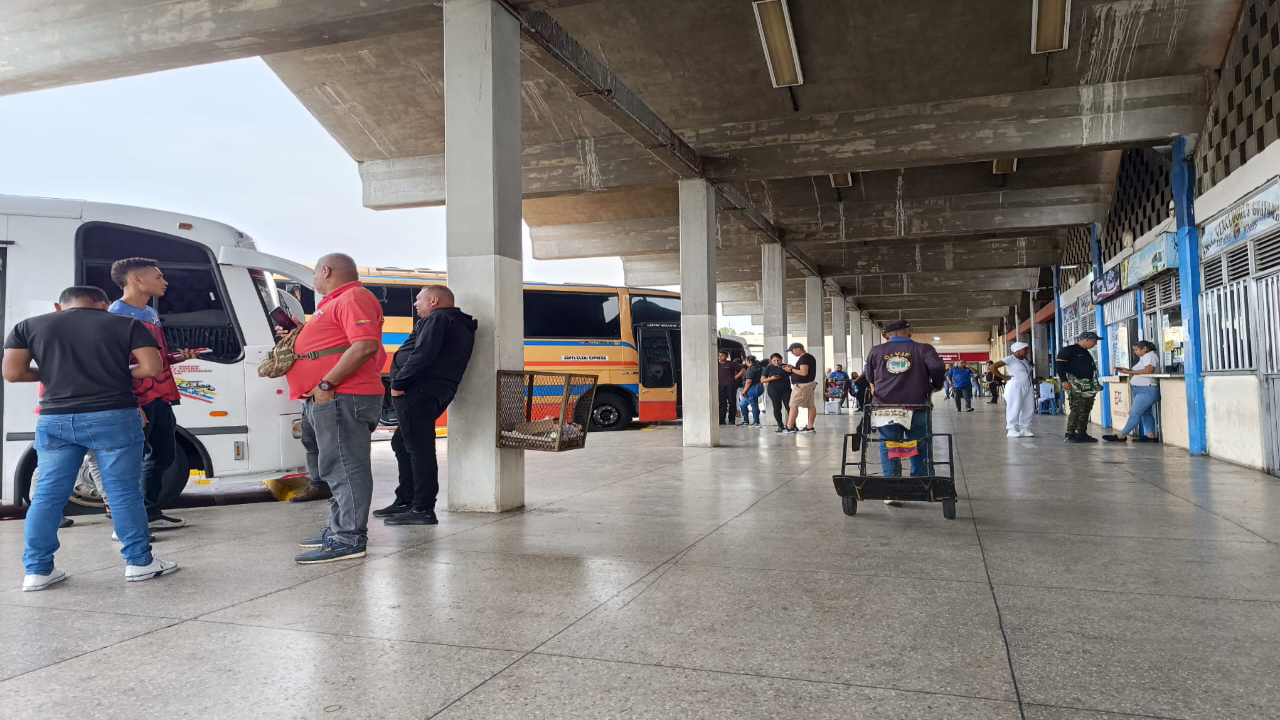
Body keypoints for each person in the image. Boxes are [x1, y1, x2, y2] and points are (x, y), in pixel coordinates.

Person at [4, 286, 178, 590]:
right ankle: (139, 563)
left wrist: (55, 372)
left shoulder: (28, 326)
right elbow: (152, 367)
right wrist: (114, 371)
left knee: (47, 495)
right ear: (105, 304)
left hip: (55, 419)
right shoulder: (127, 324)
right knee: (123, 492)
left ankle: (38, 571)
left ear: (59, 305)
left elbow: (13, 373)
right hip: (114, 415)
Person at [288, 254, 386, 564]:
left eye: (315, 274)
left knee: (345, 466)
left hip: (343, 394)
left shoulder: (352, 296)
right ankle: (339, 528)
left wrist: (326, 384)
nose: (314, 281)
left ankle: (349, 538)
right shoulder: (336, 302)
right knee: (335, 465)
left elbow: (365, 345)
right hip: (332, 396)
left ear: (326, 271)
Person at [107, 257, 204, 530]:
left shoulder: (149, 312)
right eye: (158, 276)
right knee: (131, 462)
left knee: (163, 455)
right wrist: (131, 403)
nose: (165, 282)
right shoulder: (116, 315)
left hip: (160, 394)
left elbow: (151, 359)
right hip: (137, 399)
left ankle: (149, 512)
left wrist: (176, 357)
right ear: (136, 279)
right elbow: (115, 366)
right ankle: (128, 522)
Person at [377, 286, 478, 524]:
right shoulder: (457, 322)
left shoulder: (438, 318)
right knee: (402, 443)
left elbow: (423, 354)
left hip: (419, 390)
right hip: (435, 390)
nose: (415, 304)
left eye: (419, 299)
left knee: (418, 448)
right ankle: (406, 499)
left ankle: (422, 508)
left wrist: (398, 384)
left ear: (433, 300)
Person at [863, 319, 945, 506]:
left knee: (889, 445)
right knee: (920, 443)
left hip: (886, 407)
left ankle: (892, 490)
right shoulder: (923, 349)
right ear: (910, 331)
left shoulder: (876, 351)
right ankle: (920, 485)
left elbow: (869, 375)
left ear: (885, 335)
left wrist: (878, 385)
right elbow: (937, 367)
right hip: (916, 405)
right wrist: (935, 385)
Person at [1104, 340, 1161, 443]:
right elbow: (1141, 371)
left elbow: (1149, 370)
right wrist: (1126, 370)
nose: (1135, 352)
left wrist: (1130, 372)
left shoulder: (1150, 356)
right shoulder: (1144, 357)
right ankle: (1151, 436)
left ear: (1145, 349)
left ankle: (1121, 436)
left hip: (1147, 390)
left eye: (1137, 350)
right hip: (1142, 389)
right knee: (1146, 413)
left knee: (1134, 413)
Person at [1057, 331, 1102, 443]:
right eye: (1094, 341)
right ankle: (1070, 434)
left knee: (1086, 409)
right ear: (1086, 340)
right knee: (1077, 408)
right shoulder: (1068, 350)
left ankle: (1081, 433)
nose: (1095, 343)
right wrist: (1064, 381)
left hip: (1088, 385)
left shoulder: (1085, 351)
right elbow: (1060, 366)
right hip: (1075, 384)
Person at [991, 342, 1034, 437]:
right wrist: (1004, 377)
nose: (1027, 351)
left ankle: (1025, 428)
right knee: (1014, 408)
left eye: (1027, 349)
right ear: (1017, 351)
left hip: (1027, 386)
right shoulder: (1010, 359)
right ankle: (1011, 429)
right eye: (1025, 349)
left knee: (1028, 408)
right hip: (1015, 387)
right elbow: (992, 367)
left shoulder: (1025, 360)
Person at [782, 342, 818, 433]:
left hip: (802, 386)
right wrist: (793, 368)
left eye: (792, 351)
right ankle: (810, 427)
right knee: (810, 405)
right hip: (808, 384)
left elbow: (803, 372)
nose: (792, 353)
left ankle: (790, 427)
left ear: (798, 349)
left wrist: (791, 369)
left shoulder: (804, 358)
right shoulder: (809, 357)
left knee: (793, 405)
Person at [761, 353, 791, 432]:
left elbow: (795, 375)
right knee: (777, 407)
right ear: (771, 360)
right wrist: (771, 378)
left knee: (789, 407)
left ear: (781, 359)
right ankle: (780, 425)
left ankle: (792, 425)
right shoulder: (768, 368)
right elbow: (762, 380)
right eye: (774, 360)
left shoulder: (786, 366)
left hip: (786, 389)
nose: (777, 362)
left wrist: (790, 369)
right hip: (773, 390)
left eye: (778, 360)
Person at [737, 355, 764, 427]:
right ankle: (746, 421)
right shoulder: (759, 367)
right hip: (759, 387)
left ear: (749, 361)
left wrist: (744, 390)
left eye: (745, 361)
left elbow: (749, 381)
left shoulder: (751, 368)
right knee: (742, 404)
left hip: (752, 388)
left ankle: (756, 422)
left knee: (754, 404)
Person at [716, 351, 741, 425]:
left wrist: (735, 377)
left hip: (731, 385)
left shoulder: (731, 364)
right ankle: (721, 420)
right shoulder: (716, 364)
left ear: (726, 356)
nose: (720, 357)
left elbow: (743, 370)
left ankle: (731, 419)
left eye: (722, 356)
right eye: (719, 356)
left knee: (732, 402)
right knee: (722, 403)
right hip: (721, 386)